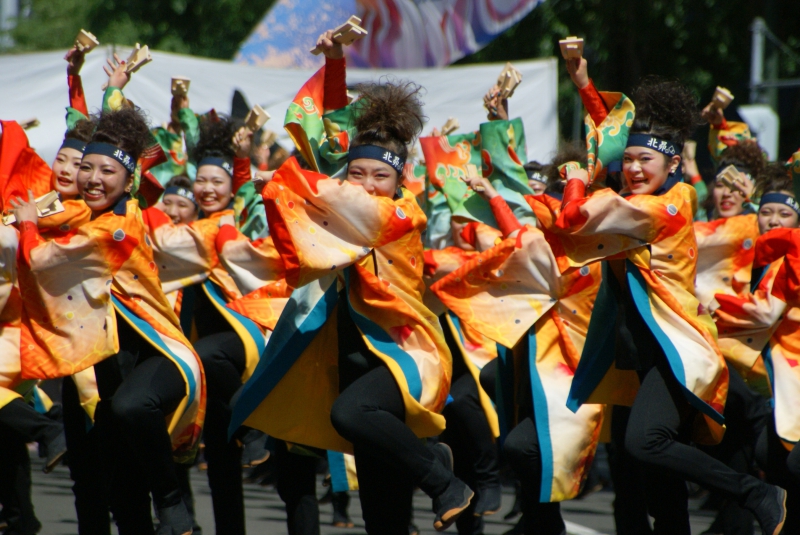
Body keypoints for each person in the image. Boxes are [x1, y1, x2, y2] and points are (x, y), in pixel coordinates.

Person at [231, 28, 473, 534]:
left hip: (406, 357)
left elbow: (328, 175)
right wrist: (336, 64)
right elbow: (332, 144)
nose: (366, 185)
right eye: (356, 174)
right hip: (351, 357)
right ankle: (432, 468)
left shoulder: (399, 215)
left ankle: (442, 477)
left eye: (380, 176)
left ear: (400, 180)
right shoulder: (346, 207)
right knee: (382, 515)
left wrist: (281, 180)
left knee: (349, 413)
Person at [551, 55, 787, 535]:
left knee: (645, 443)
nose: (634, 168)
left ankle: (755, 492)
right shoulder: (642, 199)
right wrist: (584, 84)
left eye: (646, 160)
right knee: (659, 486)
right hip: (641, 353)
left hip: (677, 353)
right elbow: (611, 143)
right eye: (630, 160)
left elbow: (572, 219)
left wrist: (575, 178)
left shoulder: (663, 208)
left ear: (674, 164)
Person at [12, 106, 205, 535]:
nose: (93, 178)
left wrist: (27, 227)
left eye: (107, 171)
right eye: (87, 168)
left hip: (161, 359)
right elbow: (55, 214)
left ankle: (170, 498)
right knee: (123, 498)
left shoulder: (117, 227)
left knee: (129, 407)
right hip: (111, 373)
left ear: (130, 180)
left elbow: (42, 259)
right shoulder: (83, 216)